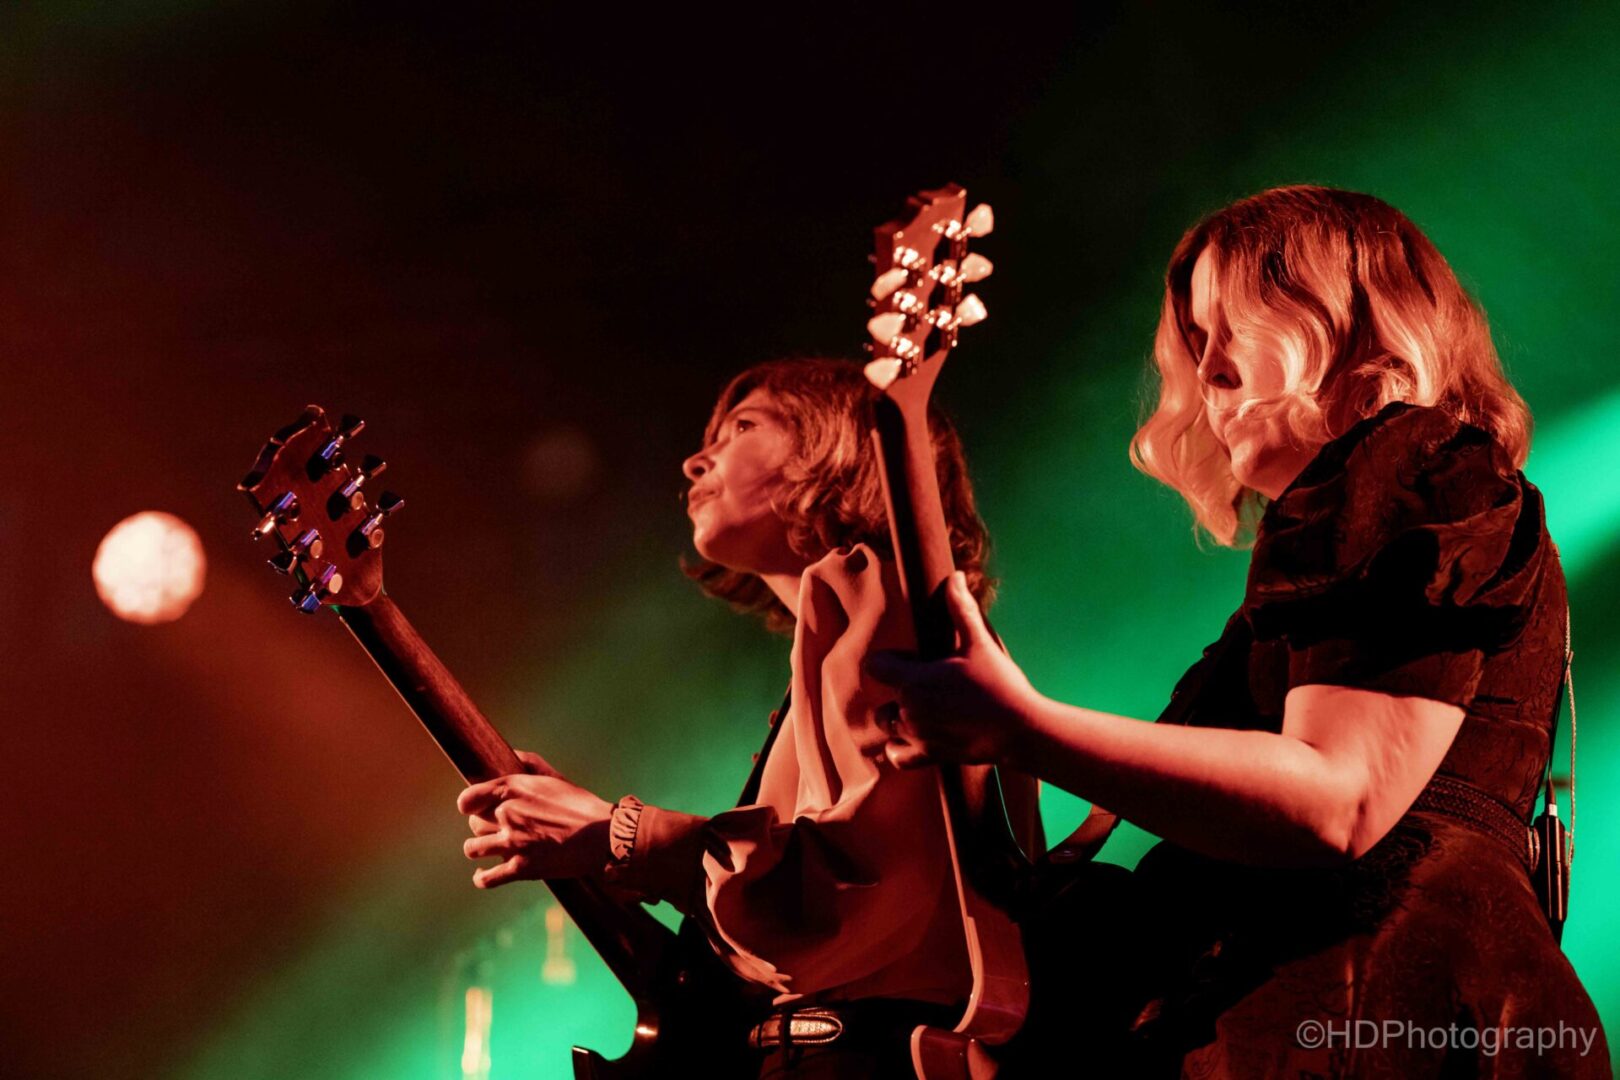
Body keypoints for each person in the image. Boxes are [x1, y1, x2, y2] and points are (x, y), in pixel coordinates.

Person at [868, 186, 1610, 1076]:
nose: (1209, 370)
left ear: (1355, 319)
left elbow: (1336, 800)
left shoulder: (1414, 461)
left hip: (1370, 1004)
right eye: (1195, 337)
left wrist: (1023, 728)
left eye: (1237, 323)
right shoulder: (1349, 548)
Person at [455, 357, 1041, 1077]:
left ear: (833, 443)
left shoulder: (881, 600)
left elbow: (848, 900)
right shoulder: (848, 629)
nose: (695, 461)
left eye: (741, 427)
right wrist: (604, 853)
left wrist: (621, 833)